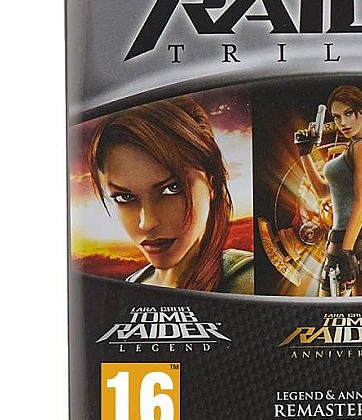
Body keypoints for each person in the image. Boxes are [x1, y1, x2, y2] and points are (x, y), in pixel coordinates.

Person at [87, 96, 253, 293]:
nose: (147, 223)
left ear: (212, 184)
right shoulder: (134, 285)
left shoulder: (250, 281)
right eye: (125, 197)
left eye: (172, 188)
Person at [296, 86, 362, 297]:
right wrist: (305, 153)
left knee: (328, 312)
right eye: (336, 117)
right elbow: (323, 192)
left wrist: (345, 250)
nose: (342, 123)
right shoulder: (356, 147)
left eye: (348, 113)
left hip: (350, 237)